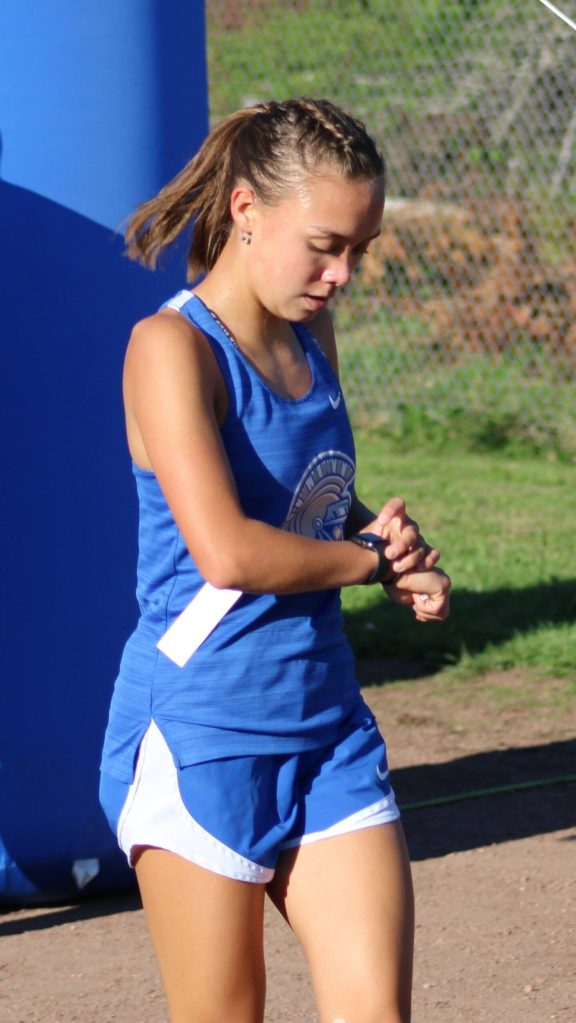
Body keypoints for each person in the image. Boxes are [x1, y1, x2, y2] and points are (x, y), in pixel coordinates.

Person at [99, 97, 450, 1023]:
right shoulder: (169, 349)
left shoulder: (309, 331)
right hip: (201, 732)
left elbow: (315, 500)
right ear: (247, 208)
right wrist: (365, 561)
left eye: (360, 251)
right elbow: (228, 548)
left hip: (327, 724)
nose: (343, 275)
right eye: (326, 244)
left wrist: (392, 547)